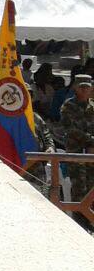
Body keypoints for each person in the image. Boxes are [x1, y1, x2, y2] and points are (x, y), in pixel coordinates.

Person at [60, 75, 94, 209]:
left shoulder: (92, 106)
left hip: (91, 153)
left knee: (92, 188)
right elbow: (71, 129)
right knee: (79, 188)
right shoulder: (68, 106)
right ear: (75, 88)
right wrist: (91, 141)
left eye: (87, 87)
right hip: (76, 152)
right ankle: (80, 222)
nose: (85, 90)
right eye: (82, 87)